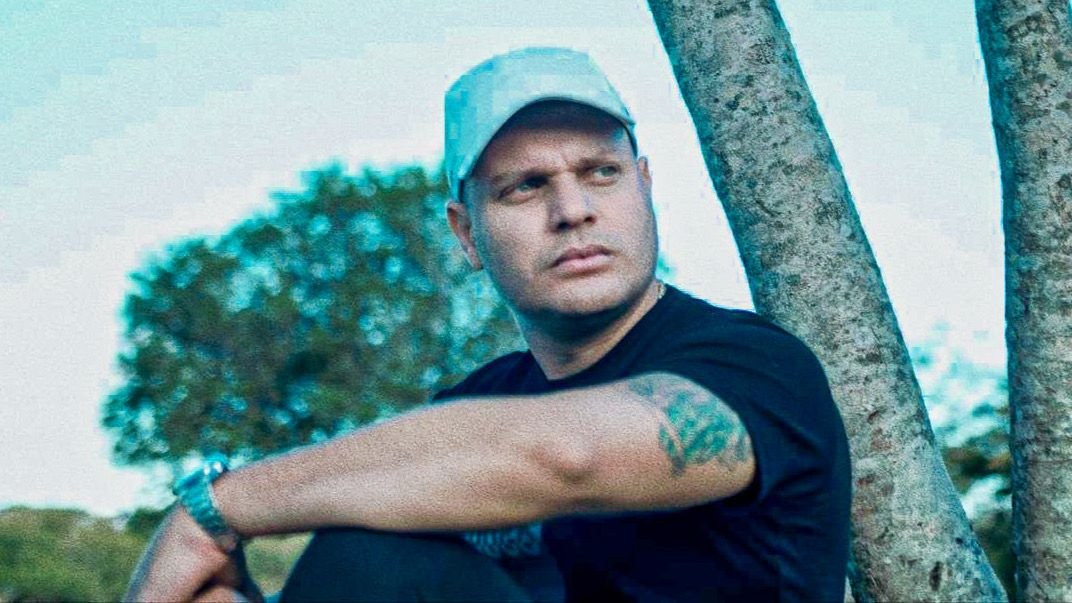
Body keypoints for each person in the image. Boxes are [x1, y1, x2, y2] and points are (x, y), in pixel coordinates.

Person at [124, 46, 852, 602]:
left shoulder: (752, 367)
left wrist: (214, 508)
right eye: (526, 187)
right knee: (360, 547)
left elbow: (567, 455)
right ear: (467, 233)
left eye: (600, 172)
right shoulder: (474, 408)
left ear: (645, 186)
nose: (574, 211)